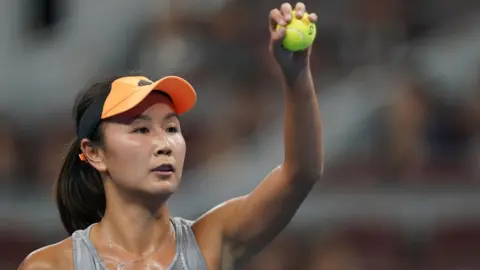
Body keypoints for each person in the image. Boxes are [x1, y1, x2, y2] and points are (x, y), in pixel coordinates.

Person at [19, 2, 323, 269]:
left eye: (171, 128)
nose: (163, 144)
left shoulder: (212, 242)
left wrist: (296, 77)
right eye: (140, 129)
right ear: (95, 153)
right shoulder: (51, 266)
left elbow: (301, 174)